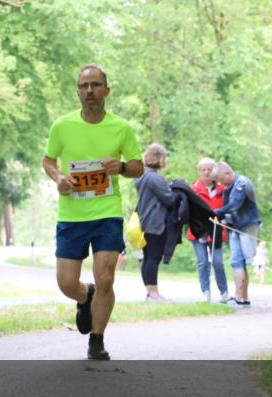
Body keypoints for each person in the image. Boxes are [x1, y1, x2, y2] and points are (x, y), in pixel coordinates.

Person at [42, 64, 143, 360]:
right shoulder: (62, 126)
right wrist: (59, 178)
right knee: (66, 283)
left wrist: (121, 167)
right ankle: (85, 297)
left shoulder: (121, 128)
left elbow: (137, 167)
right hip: (72, 215)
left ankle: (96, 340)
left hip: (106, 213)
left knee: (106, 277)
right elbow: (48, 160)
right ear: (78, 92)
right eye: (84, 86)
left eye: (96, 85)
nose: (90, 91)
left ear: (106, 91)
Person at [213, 162, 261, 306]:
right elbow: (228, 208)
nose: (220, 183)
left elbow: (234, 205)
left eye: (221, 179)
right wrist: (220, 218)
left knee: (243, 261)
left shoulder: (242, 183)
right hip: (235, 227)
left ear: (228, 173)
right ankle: (242, 298)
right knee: (237, 261)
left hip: (247, 227)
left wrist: (216, 212)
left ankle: (240, 298)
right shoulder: (229, 186)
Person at [134, 144, 178, 301]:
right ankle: (154, 293)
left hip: (143, 222)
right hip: (156, 223)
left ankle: (149, 292)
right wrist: (177, 190)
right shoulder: (155, 177)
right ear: (160, 158)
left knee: (147, 258)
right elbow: (169, 199)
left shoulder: (140, 175)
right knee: (154, 257)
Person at [188, 158, 230, 302]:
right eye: (203, 169)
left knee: (217, 262)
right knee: (203, 262)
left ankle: (224, 292)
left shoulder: (223, 190)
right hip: (197, 231)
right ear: (199, 171)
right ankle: (205, 292)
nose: (206, 172)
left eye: (209, 169)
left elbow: (228, 210)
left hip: (216, 231)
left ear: (215, 171)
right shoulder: (192, 189)